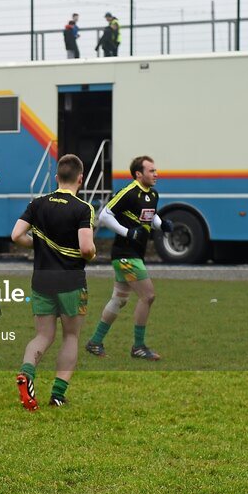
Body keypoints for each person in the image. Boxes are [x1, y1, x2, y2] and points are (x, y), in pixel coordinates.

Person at [10, 154, 95, 410]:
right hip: (71, 282)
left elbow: (16, 235)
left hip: (41, 281)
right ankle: (57, 395)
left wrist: (37, 245)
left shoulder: (37, 203)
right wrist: (92, 254)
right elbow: (86, 248)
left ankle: (27, 372)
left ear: (57, 178)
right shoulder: (83, 208)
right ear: (80, 179)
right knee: (71, 337)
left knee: (43, 335)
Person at [86, 155, 174, 361]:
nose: (156, 174)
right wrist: (127, 232)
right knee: (148, 296)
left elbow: (150, 216)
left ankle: (94, 342)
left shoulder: (152, 194)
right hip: (125, 254)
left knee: (119, 300)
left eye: (155, 170)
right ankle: (139, 347)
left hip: (135, 254)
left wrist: (162, 225)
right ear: (138, 174)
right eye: (151, 171)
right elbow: (105, 215)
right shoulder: (128, 192)